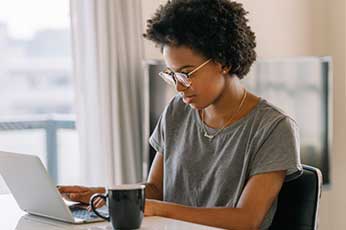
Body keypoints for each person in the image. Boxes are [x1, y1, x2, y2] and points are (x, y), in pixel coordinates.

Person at [58, 0, 302, 229]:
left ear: (223, 61)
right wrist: (105, 194)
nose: (178, 86)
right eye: (172, 75)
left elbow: (247, 219)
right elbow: (155, 189)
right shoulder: (177, 110)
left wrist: (158, 209)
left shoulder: (273, 127)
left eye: (186, 73)